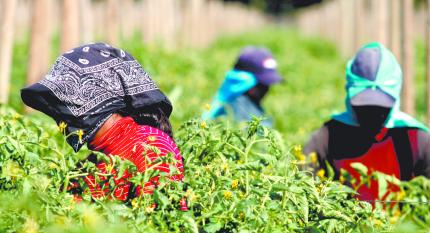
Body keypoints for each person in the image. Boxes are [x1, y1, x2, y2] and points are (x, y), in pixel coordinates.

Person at [21, 43, 184, 203]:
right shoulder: (91, 165)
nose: (60, 118)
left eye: (64, 105)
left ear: (95, 97)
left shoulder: (151, 148)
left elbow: (159, 221)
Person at [303, 42, 430, 202]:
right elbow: (304, 189)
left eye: (381, 109)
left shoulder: (415, 138)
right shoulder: (328, 136)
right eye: (364, 107)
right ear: (349, 94)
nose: (373, 116)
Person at [203, 46, 282, 127]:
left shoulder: (247, 104)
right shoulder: (238, 110)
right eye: (262, 84)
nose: (267, 88)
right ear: (248, 82)